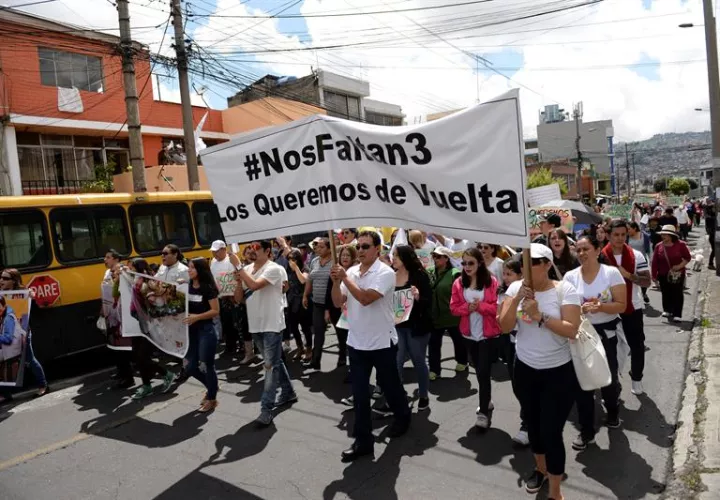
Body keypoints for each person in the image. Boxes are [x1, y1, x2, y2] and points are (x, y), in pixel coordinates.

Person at [498, 243, 581, 499]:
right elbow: (503, 326)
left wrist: (540, 316)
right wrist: (517, 300)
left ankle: (556, 490)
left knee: (551, 432)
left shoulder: (564, 290)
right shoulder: (515, 288)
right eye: (523, 263)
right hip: (525, 369)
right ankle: (540, 469)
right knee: (533, 427)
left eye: (533, 262)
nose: (527, 268)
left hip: (558, 372)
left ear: (546, 265)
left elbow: (571, 330)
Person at [330, 230, 411, 462]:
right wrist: (336, 282)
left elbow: (366, 299)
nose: (361, 250)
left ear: (378, 249)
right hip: (357, 342)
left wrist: (344, 278)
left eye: (366, 246)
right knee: (359, 394)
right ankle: (363, 441)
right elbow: (338, 301)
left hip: (381, 342)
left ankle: (403, 416)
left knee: (390, 386)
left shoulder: (385, 273)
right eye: (360, 246)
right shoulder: (352, 271)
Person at [564, 234, 626, 450]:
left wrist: (600, 307)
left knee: (607, 379)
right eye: (578, 250)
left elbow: (621, 305)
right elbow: (565, 306)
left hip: (606, 332)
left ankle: (612, 410)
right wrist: (580, 309)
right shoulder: (570, 277)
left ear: (598, 250)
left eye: (585, 249)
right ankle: (586, 430)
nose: (581, 253)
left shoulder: (611, 273)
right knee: (582, 382)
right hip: (581, 333)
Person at [236, 241, 297, 426]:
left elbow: (255, 286)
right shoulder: (246, 269)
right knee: (275, 362)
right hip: (255, 324)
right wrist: (239, 279)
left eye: (256, 249)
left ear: (267, 251)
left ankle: (266, 409)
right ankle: (288, 392)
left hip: (272, 323)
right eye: (250, 249)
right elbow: (238, 298)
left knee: (269, 366)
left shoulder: (274, 269)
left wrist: (239, 269)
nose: (251, 252)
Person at [450, 247, 502, 429]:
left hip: (488, 335)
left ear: (480, 263)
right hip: (468, 335)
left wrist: (480, 307)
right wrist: (467, 308)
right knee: (480, 372)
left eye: (470, 262)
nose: (466, 266)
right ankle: (486, 399)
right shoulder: (458, 283)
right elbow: (454, 308)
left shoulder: (492, 282)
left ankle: (483, 413)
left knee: (483, 371)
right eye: (464, 263)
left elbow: (497, 308)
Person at [605, 221, 652, 396]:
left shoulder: (636, 255)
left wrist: (628, 275)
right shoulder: (600, 256)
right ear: (609, 235)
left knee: (637, 345)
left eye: (623, 234)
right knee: (609, 349)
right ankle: (611, 384)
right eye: (615, 234)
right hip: (607, 309)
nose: (619, 238)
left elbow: (647, 281)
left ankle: (637, 378)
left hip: (633, 307)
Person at [127, 259, 176, 400]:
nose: (128, 268)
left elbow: (156, 301)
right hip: (139, 321)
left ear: (137, 268)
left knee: (142, 356)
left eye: (131, 266)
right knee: (138, 356)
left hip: (149, 323)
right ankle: (146, 385)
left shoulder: (148, 282)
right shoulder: (136, 279)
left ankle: (167, 374)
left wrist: (151, 299)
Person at [392, 245, 432, 411]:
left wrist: (417, 297)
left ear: (405, 258)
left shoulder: (420, 275)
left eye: (396, 256)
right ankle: (398, 394)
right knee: (398, 360)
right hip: (398, 326)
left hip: (417, 326)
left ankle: (423, 395)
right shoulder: (391, 276)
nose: (392, 258)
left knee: (418, 360)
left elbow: (429, 301)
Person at [0, 268, 49, 404]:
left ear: (14, 281)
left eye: (5, 278)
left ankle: (43, 385)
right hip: (4, 332)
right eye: (1, 278)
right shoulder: (1, 294)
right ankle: (5, 393)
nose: (1, 280)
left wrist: (31, 298)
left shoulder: (24, 293)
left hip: (22, 333)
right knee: (3, 362)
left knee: (29, 359)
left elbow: (35, 313)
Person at [496, 257, 528, 445]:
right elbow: (502, 319)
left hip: (527, 345)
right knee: (517, 385)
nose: (506, 278)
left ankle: (527, 424)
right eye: (504, 274)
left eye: (510, 274)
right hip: (510, 344)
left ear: (521, 274)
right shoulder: (504, 293)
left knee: (526, 386)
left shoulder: (531, 293)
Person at [182, 257, 220, 412]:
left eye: (192, 268)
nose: (188, 270)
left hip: (206, 330)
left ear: (200, 270)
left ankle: (212, 399)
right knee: (190, 367)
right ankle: (212, 387)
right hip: (191, 332)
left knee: (207, 365)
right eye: (188, 267)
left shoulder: (208, 287)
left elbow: (215, 311)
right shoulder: (188, 285)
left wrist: (196, 317)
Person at [428, 246, 467, 379]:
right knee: (433, 343)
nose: (435, 259)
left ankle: (462, 361)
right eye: (434, 256)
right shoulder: (429, 271)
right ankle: (434, 369)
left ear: (446, 258)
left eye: (438, 256)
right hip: (435, 316)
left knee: (458, 340)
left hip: (452, 316)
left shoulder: (455, 273)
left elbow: (461, 294)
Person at [102, 249, 133, 389]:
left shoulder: (123, 271)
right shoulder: (107, 273)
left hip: (121, 314)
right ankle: (121, 372)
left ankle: (128, 377)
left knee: (123, 347)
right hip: (111, 313)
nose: (105, 260)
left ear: (115, 259)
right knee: (114, 346)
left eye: (108, 257)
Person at [302, 237, 333, 369]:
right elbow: (310, 279)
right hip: (317, 303)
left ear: (329, 248)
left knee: (343, 335)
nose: (317, 249)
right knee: (318, 333)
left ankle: (345, 361)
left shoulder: (335, 262)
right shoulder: (314, 261)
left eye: (321, 247)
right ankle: (315, 361)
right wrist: (305, 295)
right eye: (316, 247)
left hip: (333, 304)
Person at [325, 245, 358, 369]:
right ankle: (342, 356)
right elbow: (329, 292)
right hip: (336, 311)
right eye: (343, 255)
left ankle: (352, 365)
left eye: (348, 255)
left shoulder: (356, 271)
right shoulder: (335, 271)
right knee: (341, 336)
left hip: (352, 311)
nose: (345, 257)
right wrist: (327, 310)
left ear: (353, 257)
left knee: (351, 338)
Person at [651, 225, 692, 322]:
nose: (663, 236)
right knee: (665, 292)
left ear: (671, 235)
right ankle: (667, 310)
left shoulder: (680, 244)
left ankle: (677, 313)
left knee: (677, 293)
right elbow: (654, 261)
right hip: (662, 273)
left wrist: (679, 266)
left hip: (677, 274)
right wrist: (653, 275)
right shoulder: (659, 246)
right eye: (662, 234)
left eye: (665, 234)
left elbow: (687, 258)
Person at [209, 240, 242, 357]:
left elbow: (240, 272)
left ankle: (242, 346)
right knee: (226, 323)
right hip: (222, 297)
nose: (214, 254)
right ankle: (230, 346)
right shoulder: (213, 262)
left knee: (237, 322)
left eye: (216, 251)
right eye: (213, 252)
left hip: (234, 296)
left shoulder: (231, 259)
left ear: (223, 249)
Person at [286, 249, 311, 361]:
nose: (291, 261)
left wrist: (296, 268)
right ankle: (300, 348)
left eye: (293, 259)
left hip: (302, 301)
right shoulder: (287, 271)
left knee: (305, 327)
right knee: (293, 327)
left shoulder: (304, 268)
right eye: (289, 259)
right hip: (291, 301)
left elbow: (303, 280)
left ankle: (309, 349)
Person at [627, 221, 652, 304]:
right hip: (630, 261)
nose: (627, 231)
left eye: (629, 229)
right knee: (631, 278)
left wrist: (651, 259)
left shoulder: (644, 236)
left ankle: (644, 293)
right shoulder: (626, 237)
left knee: (643, 278)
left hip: (642, 261)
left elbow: (649, 249)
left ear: (634, 228)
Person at [705, 201, 717, 271]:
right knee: (715, 250)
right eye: (714, 208)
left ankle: (711, 263)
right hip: (713, 236)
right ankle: (710, 264)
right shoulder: (710, 218)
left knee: (715, 250)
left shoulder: (711, 217)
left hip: (713, 235)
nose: (715, 209)